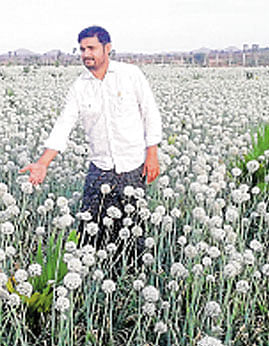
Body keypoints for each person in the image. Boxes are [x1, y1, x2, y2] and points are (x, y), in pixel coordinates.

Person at [20, 25, 162, 263]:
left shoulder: (131, 75)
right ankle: (90, 280)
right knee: (90, 230)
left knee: (134, 231)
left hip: (133, 167)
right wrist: (43, 163)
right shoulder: (80, 86)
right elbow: (64, 124)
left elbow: (150, 114)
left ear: (107, 48)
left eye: (91, 48)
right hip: (100, 168)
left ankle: (131, 280)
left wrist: (152, 155)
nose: (86, 54)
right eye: (82, 49)